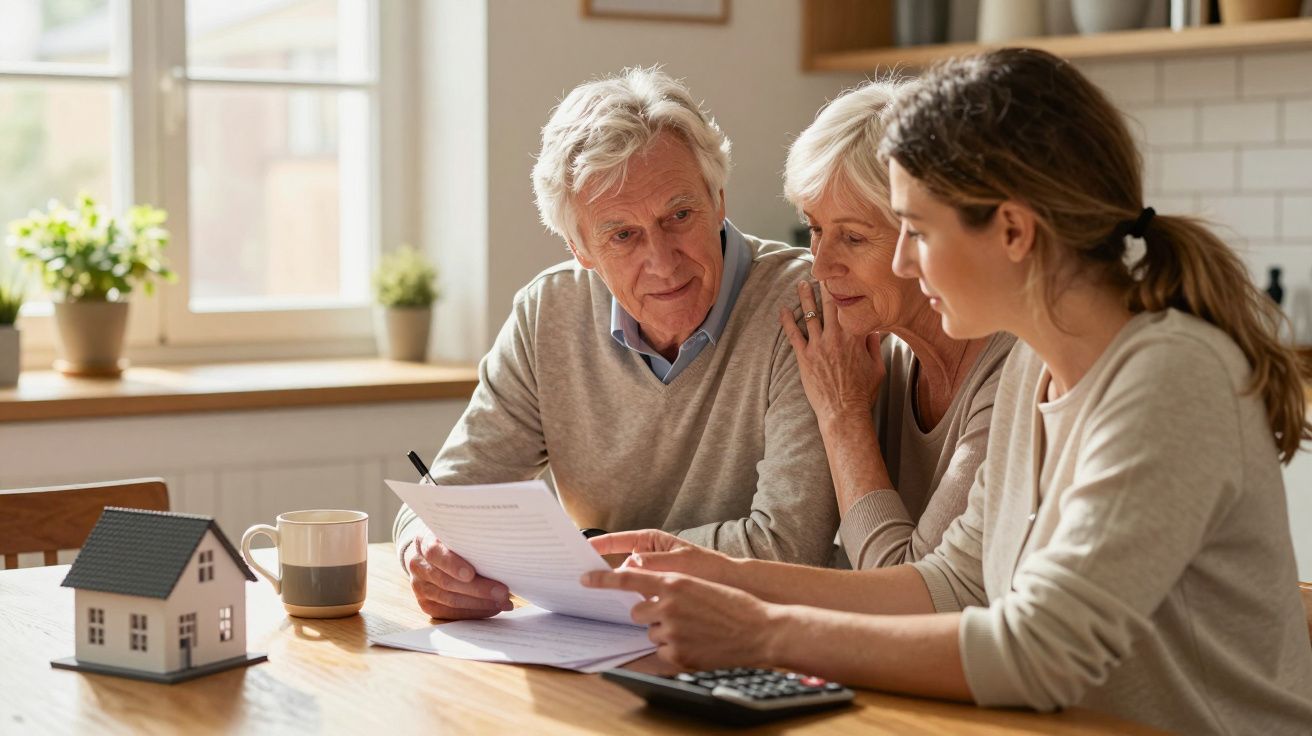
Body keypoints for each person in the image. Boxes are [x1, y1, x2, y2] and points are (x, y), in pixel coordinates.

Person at [582, 49, 1312, 734]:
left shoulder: (1169, 379)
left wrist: (762, 630)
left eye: (916, 231)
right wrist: (730, 576)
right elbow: (952, 584)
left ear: (1014, 232)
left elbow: (1041, 651)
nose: (903, 259)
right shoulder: (1036, 365)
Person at [393, 66, 838, 621]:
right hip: (593, 641)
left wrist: (583, 560)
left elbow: (791, 550)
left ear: (718, 199)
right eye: (622, 234)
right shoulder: (547, 313)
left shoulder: (802, 307)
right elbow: (448, 496)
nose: (662, 259)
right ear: (579, 247)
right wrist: (427, 552)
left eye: (679, 215)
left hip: (753, 642)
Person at [779, 80, 1015, 568]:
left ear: (925, 232)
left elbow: (908, 591)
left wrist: (843, 417)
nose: (820, 267)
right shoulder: (874, 356)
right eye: (816, 230)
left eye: (854, 238)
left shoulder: (1014, 369)